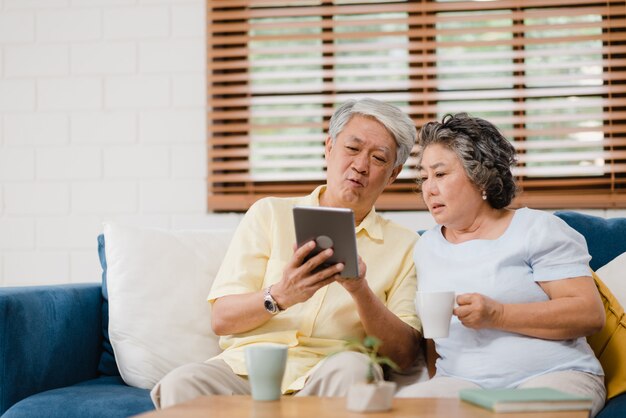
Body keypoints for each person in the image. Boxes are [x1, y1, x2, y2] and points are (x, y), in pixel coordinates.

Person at [150, 98, 422, 408]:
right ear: (329, 147)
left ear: (393, 174)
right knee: (180, 384)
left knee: (353, 370)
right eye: (352, 148)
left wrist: (360, 291)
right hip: (249, 368)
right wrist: (281, 295)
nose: (360, 165)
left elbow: (403, 356)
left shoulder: (405, 245)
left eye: (378, 158)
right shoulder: (269, 214)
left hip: (331, 371)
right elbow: (222, 319)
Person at [395, 113, 607, 416]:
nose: (428, 189)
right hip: (461, 382)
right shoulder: (426, 247)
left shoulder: (537, 228)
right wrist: (437, 382)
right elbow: (434, 336)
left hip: (554, 374)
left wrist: (499, 314)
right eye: (424, 176)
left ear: (480, 176)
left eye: (440, 174)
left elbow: (588, 313)